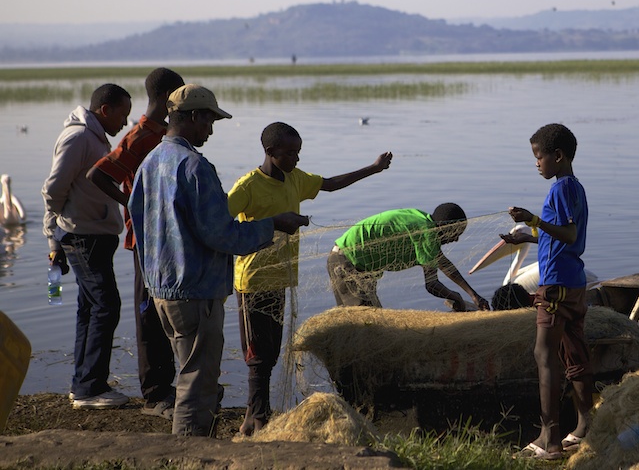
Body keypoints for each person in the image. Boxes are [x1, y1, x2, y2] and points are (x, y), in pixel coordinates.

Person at [128, 84, 308, 437]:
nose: (210, 129)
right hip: (195, 292)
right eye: (209, 121)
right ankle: (192, 452)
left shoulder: (149, 162)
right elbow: (222, 234)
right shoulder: (194, 166)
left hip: (161, 291)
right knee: (199, 382)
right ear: (194, 117)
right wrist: (272, 224)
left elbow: (139, 222)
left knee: (188, 371)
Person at [228, 121, 393, 436]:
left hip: (281, 277)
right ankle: (260, 419)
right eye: (290, 153)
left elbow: (329, 184)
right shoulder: (248, 186)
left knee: (271, 352)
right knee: (256, 354)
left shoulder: (294, 179)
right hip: (252, 281)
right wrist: (276, 222)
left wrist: (373, 169)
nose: (296, 159)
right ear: (270, 151)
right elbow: (221, 222)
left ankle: (252, 415)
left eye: (298, 153)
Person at [86, 68, 184, 419]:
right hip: (144, 238)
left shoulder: (163, 134)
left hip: (163, 238)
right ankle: (155, 392)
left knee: (163, 309)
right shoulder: (141, 135)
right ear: (167, 97)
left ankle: (165, 385)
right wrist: (131, 203)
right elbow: (98, 173)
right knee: (148, 315)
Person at [41, 83, 133, 409]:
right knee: (107, 305)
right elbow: (53, 190)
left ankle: (83, 383)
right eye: (122, 115)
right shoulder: (79, 137)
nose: (125, 123)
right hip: (82, 236)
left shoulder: (94, 137)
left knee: (90, 308)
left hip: (93, 235)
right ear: (105, 110)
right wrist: (55, 234)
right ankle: (90, 389)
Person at [508, 123, 594, 461]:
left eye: (539, 156)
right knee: (574, 354)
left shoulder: (559, 190)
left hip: (556, 285)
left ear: (558, 156)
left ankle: (550, 439)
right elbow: (561, 238)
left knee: (545, 356)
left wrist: (533, 219)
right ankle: (586, 428)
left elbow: (569, 235)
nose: (537, 163)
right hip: (574, 282)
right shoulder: (575, 187)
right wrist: (528, 237)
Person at [327, 204, 490, 311]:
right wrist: (456, 298)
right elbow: (432, 285)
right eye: (455, 233)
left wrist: (473, 295)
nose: (456, 239)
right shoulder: (427, 233)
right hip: (347, 264)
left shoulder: (423, 221)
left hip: (351, 263)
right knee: (364, 322)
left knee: (368, 317)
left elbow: (443, 263)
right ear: (444, 227)